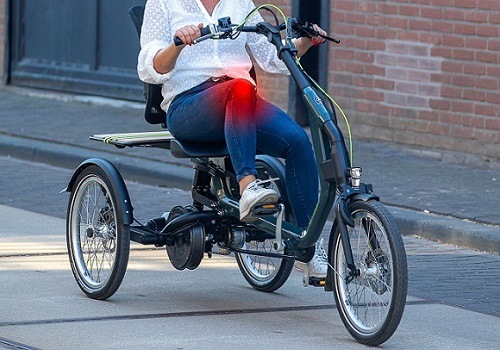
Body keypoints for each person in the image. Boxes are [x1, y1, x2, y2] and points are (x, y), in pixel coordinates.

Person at [137, 0, 327, 277]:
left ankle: (307, 247)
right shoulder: (164, 3)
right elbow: (149, 68)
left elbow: (271, 58)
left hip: (240, 101)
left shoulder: (239, 3)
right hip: (189, 104)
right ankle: (248, 185)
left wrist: (306, 42)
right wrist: (177, 44)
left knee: (297, 140)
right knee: (238, 87)